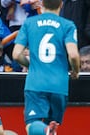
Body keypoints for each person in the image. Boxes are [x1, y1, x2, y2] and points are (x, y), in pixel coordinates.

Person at [12, 0, 80, 135]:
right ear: (61, 4)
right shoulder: (68, 25)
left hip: (36, 83)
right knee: (51, 124)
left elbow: (16, 54)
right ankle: (48, 130)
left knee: (32, 125)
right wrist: (76, 71)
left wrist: (30, 65)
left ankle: (44, 130)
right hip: (59, 85)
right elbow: (73, 54)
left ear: (42, 3)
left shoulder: (29, 23)